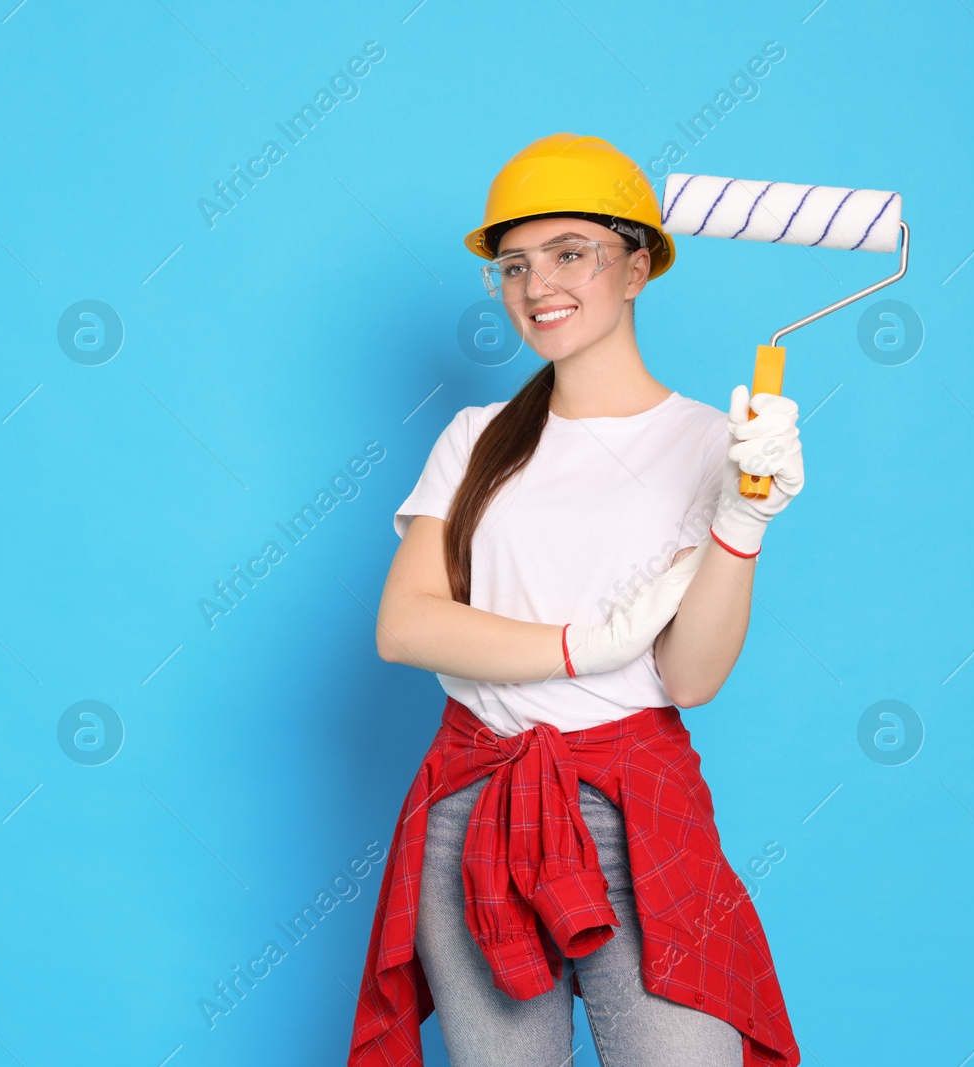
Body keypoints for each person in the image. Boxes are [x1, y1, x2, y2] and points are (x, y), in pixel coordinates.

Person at [346, 133, 805, 1067]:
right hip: (476, 812)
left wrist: (744, 522)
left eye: (570, 253)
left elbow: (693, 672)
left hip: (637, 813)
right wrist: (585, 644)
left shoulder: (718, 441)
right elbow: (405, 625)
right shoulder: (476, 437)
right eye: (513, 266)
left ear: (637, 265)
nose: (537, 285)